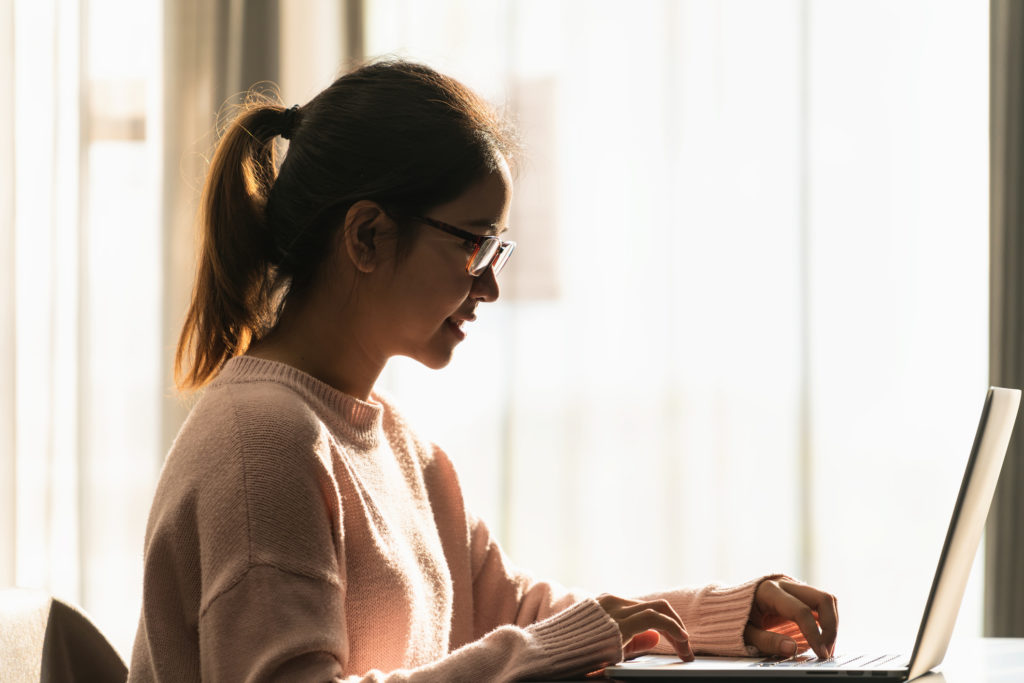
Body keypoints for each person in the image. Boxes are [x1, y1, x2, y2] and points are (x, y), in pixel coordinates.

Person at [128, 59, 838, 682]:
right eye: (473, 245)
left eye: (496, 249)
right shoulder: (263, 443)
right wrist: (548, 648)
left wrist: (727, 616)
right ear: (367, 236)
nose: (490, 286)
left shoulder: (398, 444)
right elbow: (535, 640)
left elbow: (521, 613)